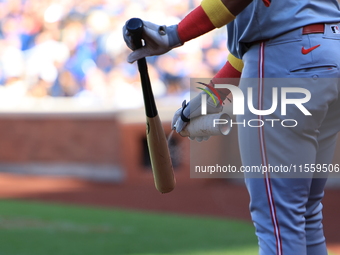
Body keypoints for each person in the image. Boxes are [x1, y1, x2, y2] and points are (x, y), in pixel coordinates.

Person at [123, 0, 340, 254]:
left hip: (284, 62)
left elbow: (260, 29)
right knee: (306, 216)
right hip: (331, 54)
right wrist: (211, 97)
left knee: (279, 222)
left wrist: (172, 34)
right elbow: (250, 43)